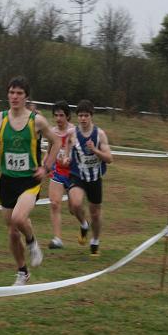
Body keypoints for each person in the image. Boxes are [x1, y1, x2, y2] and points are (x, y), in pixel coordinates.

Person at [0, 76, 59, 286]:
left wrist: (46, 167)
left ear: (26, 96)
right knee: (12, 232)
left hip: (29, 180)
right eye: (11, 92)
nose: (14, 97)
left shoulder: (38, 120)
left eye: (19, 93)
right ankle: (22, 272)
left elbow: (57, 141)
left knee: (18, 218)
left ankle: (33, 242)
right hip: (7, 181)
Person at [63, 100, 113, 256]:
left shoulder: (99, 134)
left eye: (86, 115)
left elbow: (109, 158)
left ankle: (95, 241)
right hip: (78, 174)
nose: (83, 119)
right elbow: (67, 145)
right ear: (77, 117)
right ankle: (84, 225)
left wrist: (95, 150)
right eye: (80, 116)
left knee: (95, 214)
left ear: (91, 116)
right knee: (76, 205)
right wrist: (66, 157)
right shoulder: (72, 133)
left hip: (94, 177)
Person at [45, 100, 76, 249]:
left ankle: (84, 223)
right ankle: (58, 239)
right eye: (56, 115)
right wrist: (45, 165)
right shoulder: (52, 132)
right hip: (57, 171)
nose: (58, 118)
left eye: (61, 115)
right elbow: (49, 150)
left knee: (73, 208)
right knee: (54, 203)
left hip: (73, 173)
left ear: (68, 116)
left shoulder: (74, 131)